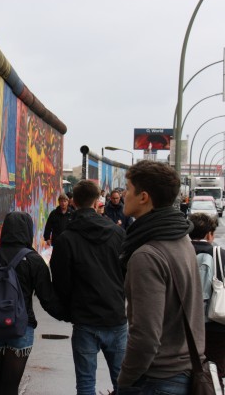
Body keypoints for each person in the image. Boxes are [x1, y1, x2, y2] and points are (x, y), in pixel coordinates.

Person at [117, 160, 206, 394]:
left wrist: (124, 380)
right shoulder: (181, 239)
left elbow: (145, 337)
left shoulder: (147, 255)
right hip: (183, 370)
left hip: (157, 379)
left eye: (127, 188)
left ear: (143, 197)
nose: (124, 195)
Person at [0, 211, 66, 395]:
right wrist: (69, 315)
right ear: (27, 231)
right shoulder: (34, 260)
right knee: (11, 384)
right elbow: (47, 299)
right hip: (21, 327)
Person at [50, 180, 127, 395]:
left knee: (85, 384)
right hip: (115, 316)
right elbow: (127, 273)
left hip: (84, 318)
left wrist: (69, 309)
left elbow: (61, 281)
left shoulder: (66, 239)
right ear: (97, 203)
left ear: (73, 202)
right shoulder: (118, 234)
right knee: (123, 382)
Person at [188, 212, 225, 391]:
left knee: (188, 368)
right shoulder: (221, 254)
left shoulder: (179, 253)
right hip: (216, 325)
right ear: (209, 234)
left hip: (186, 325)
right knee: (215, 371)